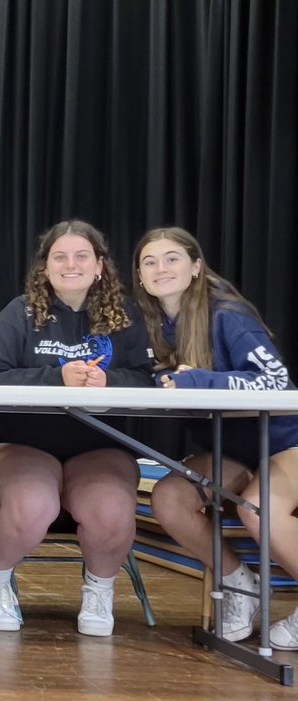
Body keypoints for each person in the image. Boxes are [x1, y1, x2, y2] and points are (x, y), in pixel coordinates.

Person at [0, 219, 153, 636]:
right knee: (33, 504)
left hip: (99, 448)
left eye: (80, 256)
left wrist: (110, 381)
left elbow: (149, 378)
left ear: (99, 266)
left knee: (112, 510)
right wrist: (57, 378)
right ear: (45, 267)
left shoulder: (126, 317)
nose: (69, 264)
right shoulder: (18, 313)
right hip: (19, 445)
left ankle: (99, 588)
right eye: (60, 256)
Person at [134, 226, 298, 649]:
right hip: (229, 449)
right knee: (170, 498)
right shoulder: (150, 327)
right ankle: (240, 584)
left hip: (284, 441)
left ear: (196, 267)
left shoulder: (228, 315)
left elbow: (279, 383)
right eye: (150, 262)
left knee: (260, 509)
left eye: (172, 258)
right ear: (139, 276)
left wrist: (202, 381)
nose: (161, 268)